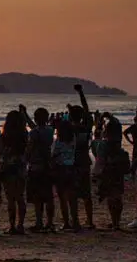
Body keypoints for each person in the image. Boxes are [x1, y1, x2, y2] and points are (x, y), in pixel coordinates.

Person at [92, 116, 129, 230]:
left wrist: (96, 174)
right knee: (117, 196)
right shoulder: (117, 143)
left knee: (111, 198)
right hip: (117, 172)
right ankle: (116, 222)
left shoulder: (103, 144)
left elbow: (99, 158)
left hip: (107, 172)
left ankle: (114, 222)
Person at [69, 85, 96, 229]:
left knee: (73, 194)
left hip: (72, 163)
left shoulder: (68, 129)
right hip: (84, 162)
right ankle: (90, 220)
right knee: (86, 194)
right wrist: (81, 93)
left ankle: (75, 221)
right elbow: (86, 111)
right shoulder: (85, 128)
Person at [0, 108, 28, 235]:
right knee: (20, 197)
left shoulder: (5, 136)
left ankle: (12, 226)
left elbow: (1, 152)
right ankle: (20, 224)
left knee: (10, 198)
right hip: (21, 167)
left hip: (8, 168)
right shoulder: (24, 135)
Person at [25, 107, 55, 232]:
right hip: (48, 165)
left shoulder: (33, 133)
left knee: (37, 198)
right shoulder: (50, 131)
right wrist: (25, 114)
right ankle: (50, 222)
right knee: (48, 196)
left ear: (36, 119)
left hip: (36, 166)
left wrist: (26, 158)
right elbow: (36, 127)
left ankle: (39, 222)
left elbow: (30, 147)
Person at [51, 118, 78, 231]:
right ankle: (75, 222)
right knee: (72, 198)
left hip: (60, 169)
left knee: (62, 198)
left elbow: (53, 154)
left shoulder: (58, 142)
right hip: (71, 168)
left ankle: (67, 222)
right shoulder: (73, 139)